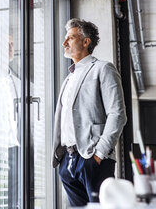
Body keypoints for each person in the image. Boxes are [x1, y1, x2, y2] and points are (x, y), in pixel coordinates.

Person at [51, 18, 127, 206]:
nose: (64, 43)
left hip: (92, 159)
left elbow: (117, 114)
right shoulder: (68, 79)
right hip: (67, 161)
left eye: (70, 38)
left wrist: (99, 154)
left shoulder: (103, 69)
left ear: (86, 42)